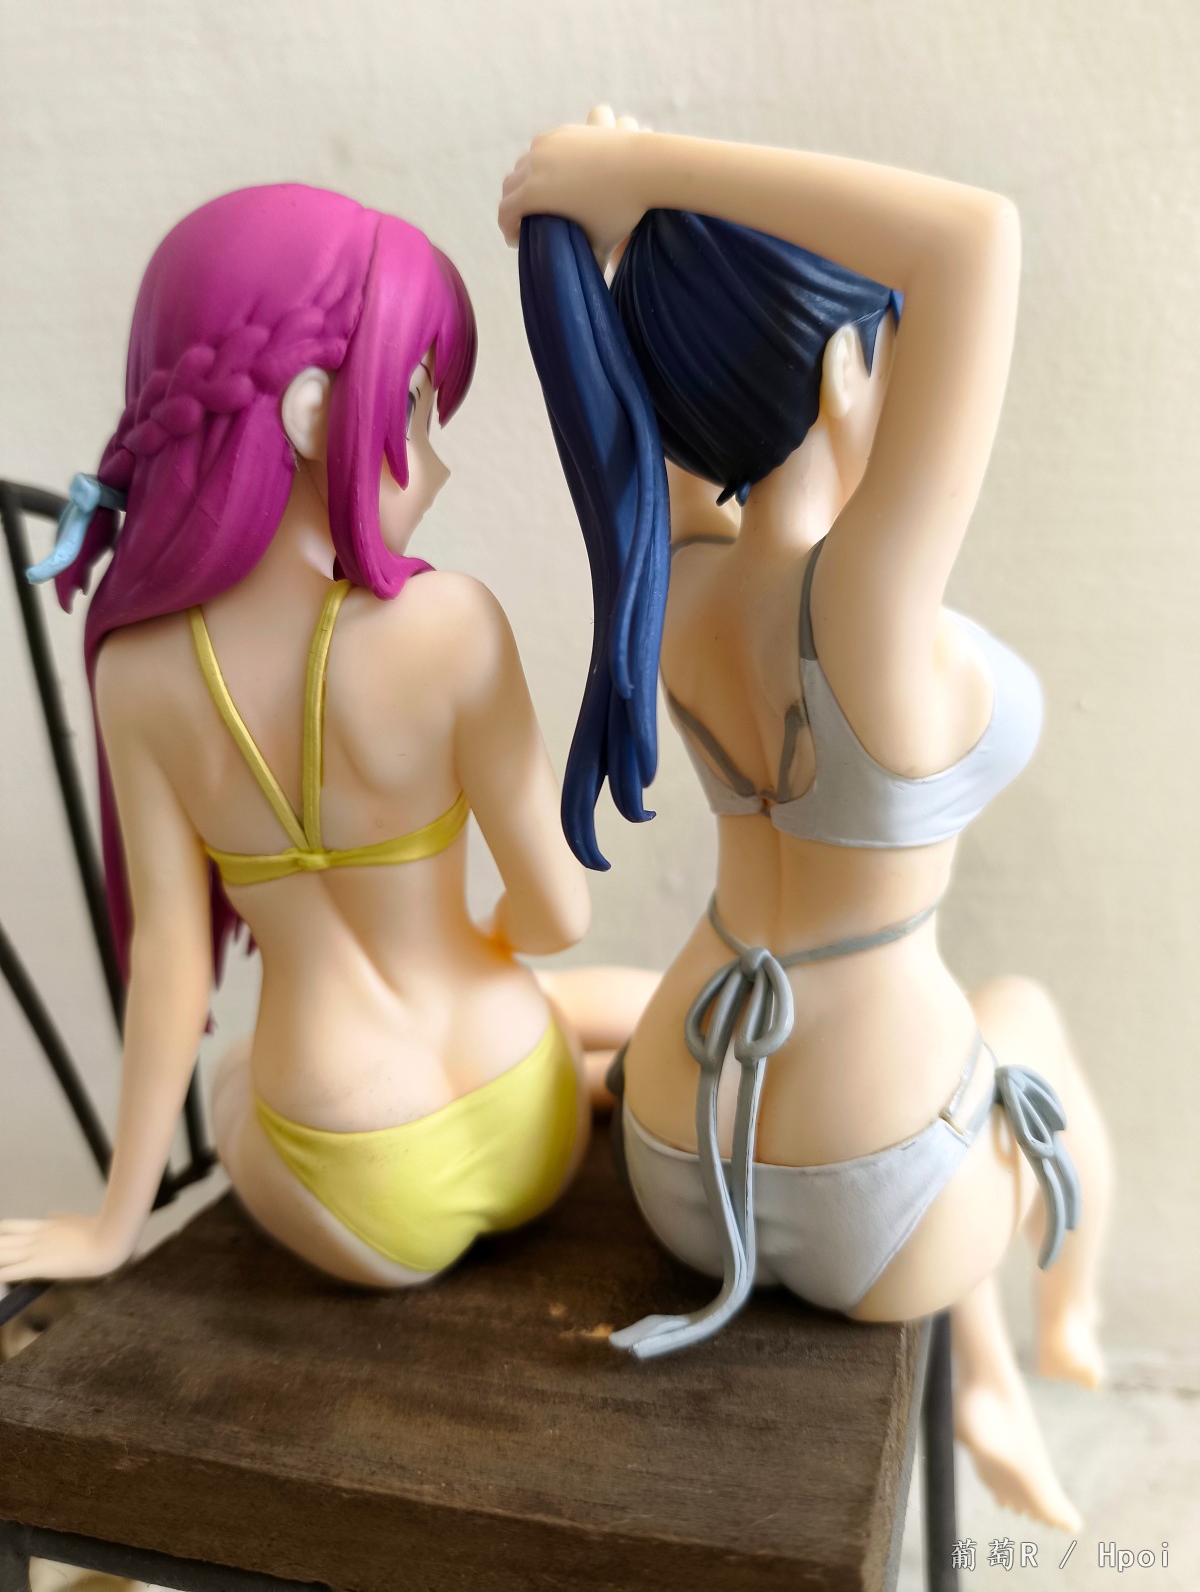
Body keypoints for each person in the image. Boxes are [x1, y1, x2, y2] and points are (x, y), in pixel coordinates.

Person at [502, 109, 1112, 1529]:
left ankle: (993, 1379)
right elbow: (976, 239)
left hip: (679, 1153)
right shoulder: (871, 610)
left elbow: (636, 410)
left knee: (960, 1043)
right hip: (873, 1184)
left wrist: (608, 236)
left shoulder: (671, 583)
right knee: (1020, 1017)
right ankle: (1050, 1330)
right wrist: (646, 171)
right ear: (848, 368)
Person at [0, 184, 625, 1294]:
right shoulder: (454, 625)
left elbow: (169, 970)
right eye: (415, 406)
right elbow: (559, 915)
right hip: (529, 1110)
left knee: (238, 1074)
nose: (435, 461)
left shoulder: (136, 677)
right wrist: (486, 934)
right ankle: (623, 1058)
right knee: (546, 996)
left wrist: (109, 1228)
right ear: (306, 412)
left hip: (357, 1184)